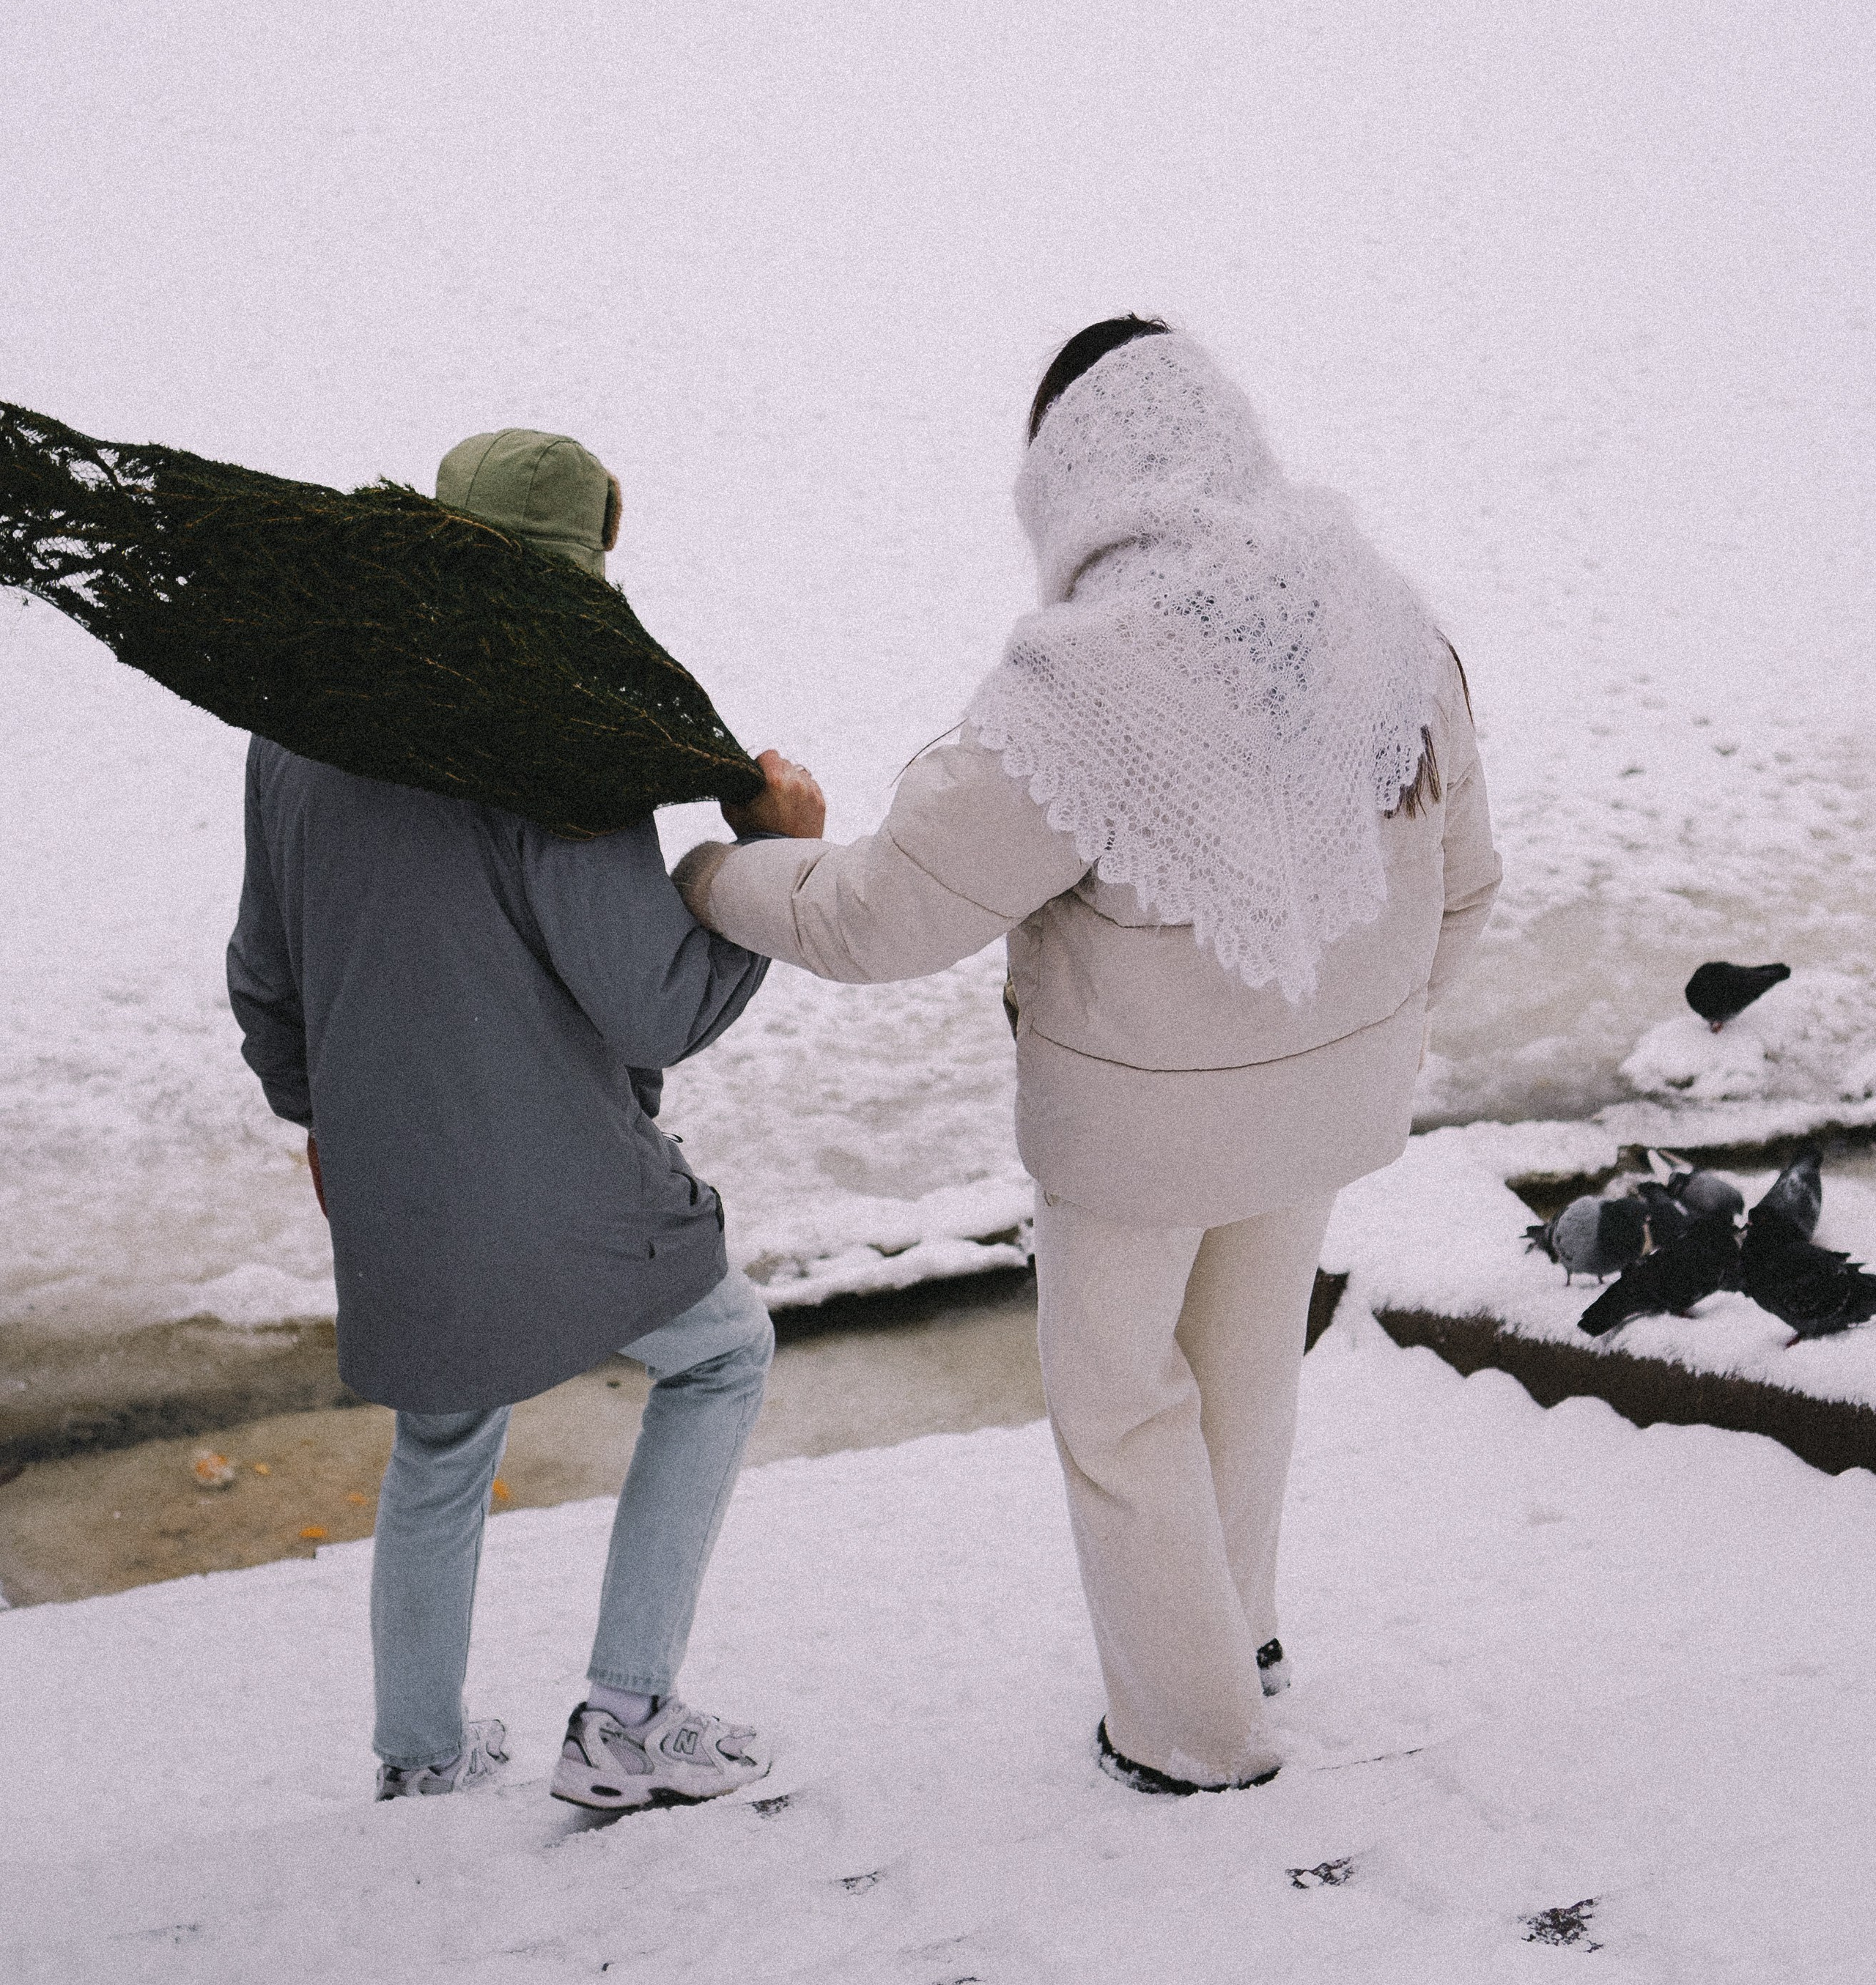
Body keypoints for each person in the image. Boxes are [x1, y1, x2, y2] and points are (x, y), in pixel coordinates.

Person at [676, 320, 1500, 1796]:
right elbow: (1465, 880)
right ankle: (1235, 1640)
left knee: (1119, 1395)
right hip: (1329, 1099)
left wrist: (710, 883)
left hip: (1135, 1131)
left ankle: (1186, 1732)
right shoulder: (1384, 621)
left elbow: (883, 913)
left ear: (1071, 477)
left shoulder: (1086, 687)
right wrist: (1364, 1033)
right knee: (1247, 1364)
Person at [227, 426, 813, 1814]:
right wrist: (771, 850)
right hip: (563, 1179)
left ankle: (423, 1754)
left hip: (388, 1175)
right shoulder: (560, 746)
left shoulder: (299, 725)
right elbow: (655, 1010)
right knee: (724, 1353)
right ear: (581, 567)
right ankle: (626, 1715)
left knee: (441, 1439)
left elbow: (265, 973)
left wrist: (320, 1118)